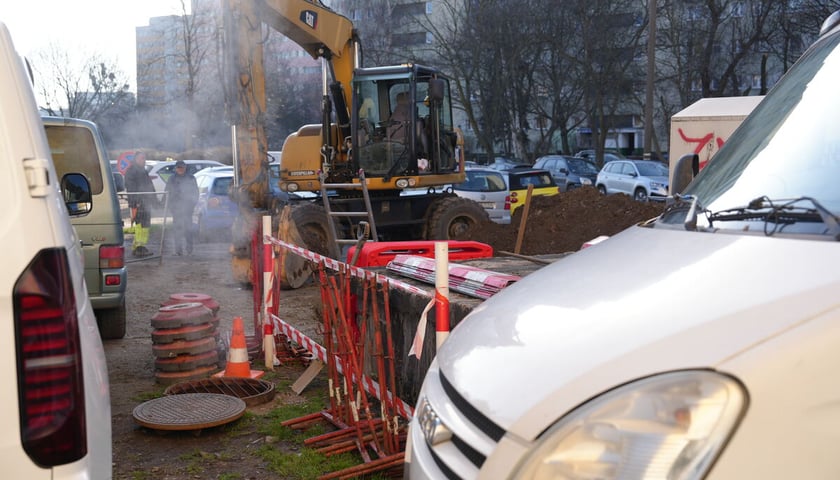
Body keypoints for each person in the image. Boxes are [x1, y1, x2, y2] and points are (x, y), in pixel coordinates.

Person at [124, 151, 157, 257]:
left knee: (146, 225)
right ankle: (138, 247)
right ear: (136, 159)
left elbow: (150, 186)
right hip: (138, 203)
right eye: (142, 158)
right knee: (139, 225)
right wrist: (135, 202)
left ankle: (141, 245)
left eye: (144, 158)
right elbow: (131, 188)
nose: (144, 160)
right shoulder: (131, 171)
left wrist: (155, 200)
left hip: (146, 202)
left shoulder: (143, 170)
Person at [164, 160, 199, 255]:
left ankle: (189, 249)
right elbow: (167, 192)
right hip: (176, 209)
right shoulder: (172, 179)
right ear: (176, 168)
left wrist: (192, 205)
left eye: (182, 167)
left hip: (188, 208)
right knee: (177, 229)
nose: (180, 169)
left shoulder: (191, 178)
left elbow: (196, 193)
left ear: (185, 168)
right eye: (179, 167)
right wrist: (168, 206)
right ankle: (178, 250)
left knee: (188, 229)